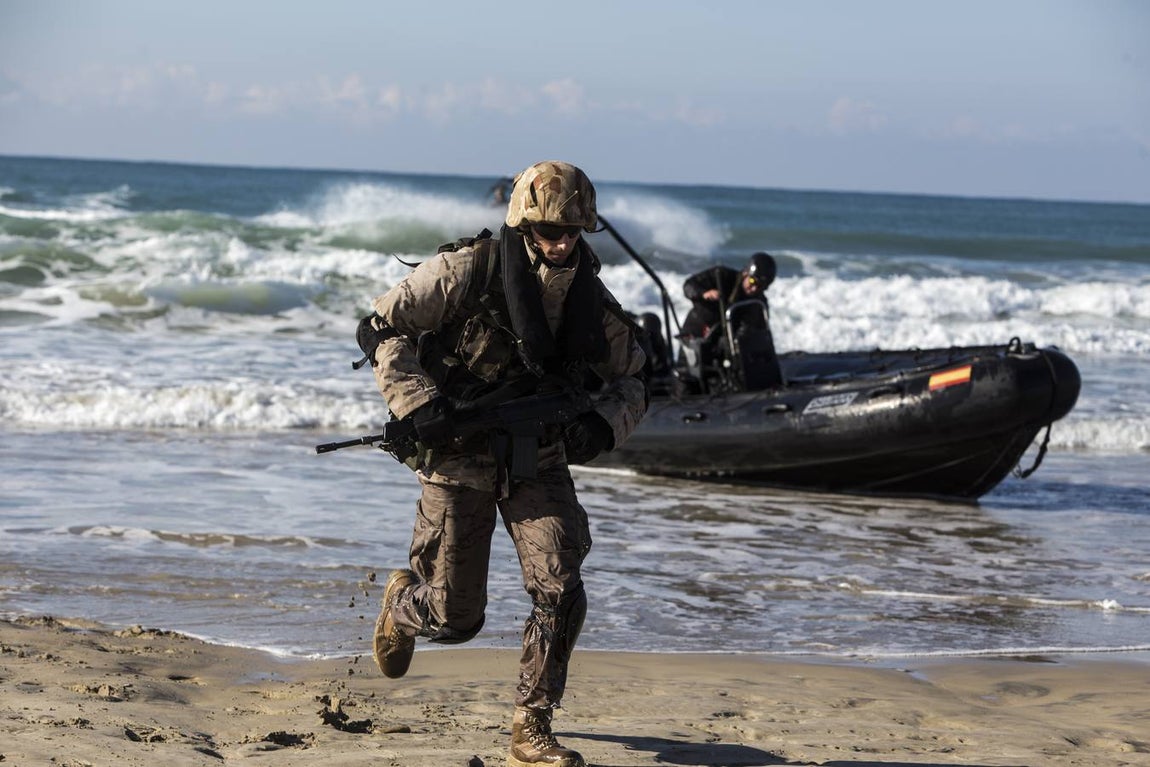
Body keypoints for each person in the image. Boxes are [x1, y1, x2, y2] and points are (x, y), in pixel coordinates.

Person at [357, 161, 648, 767]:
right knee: (456, 617)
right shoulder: (470, 270)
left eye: (571, 231)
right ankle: (402, 607)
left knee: (561, 584)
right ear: (522, 224)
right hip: (459, 454)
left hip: (537, 456)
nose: (560, 243)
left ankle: (531, 724)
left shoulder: (589, 297)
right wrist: (418, 404)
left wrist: (601, 425)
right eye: (547, 231)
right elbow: (381, 327)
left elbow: (636, 378)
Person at [679, 252, 776, 340]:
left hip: (727, 343)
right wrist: (703, 294)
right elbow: (689, 285)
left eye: (761, 286)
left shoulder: (759, 303)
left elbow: (762, 332)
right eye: (752, 281)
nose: (754, 288)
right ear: (745, 273)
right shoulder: (721, 276)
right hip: (698, 332)